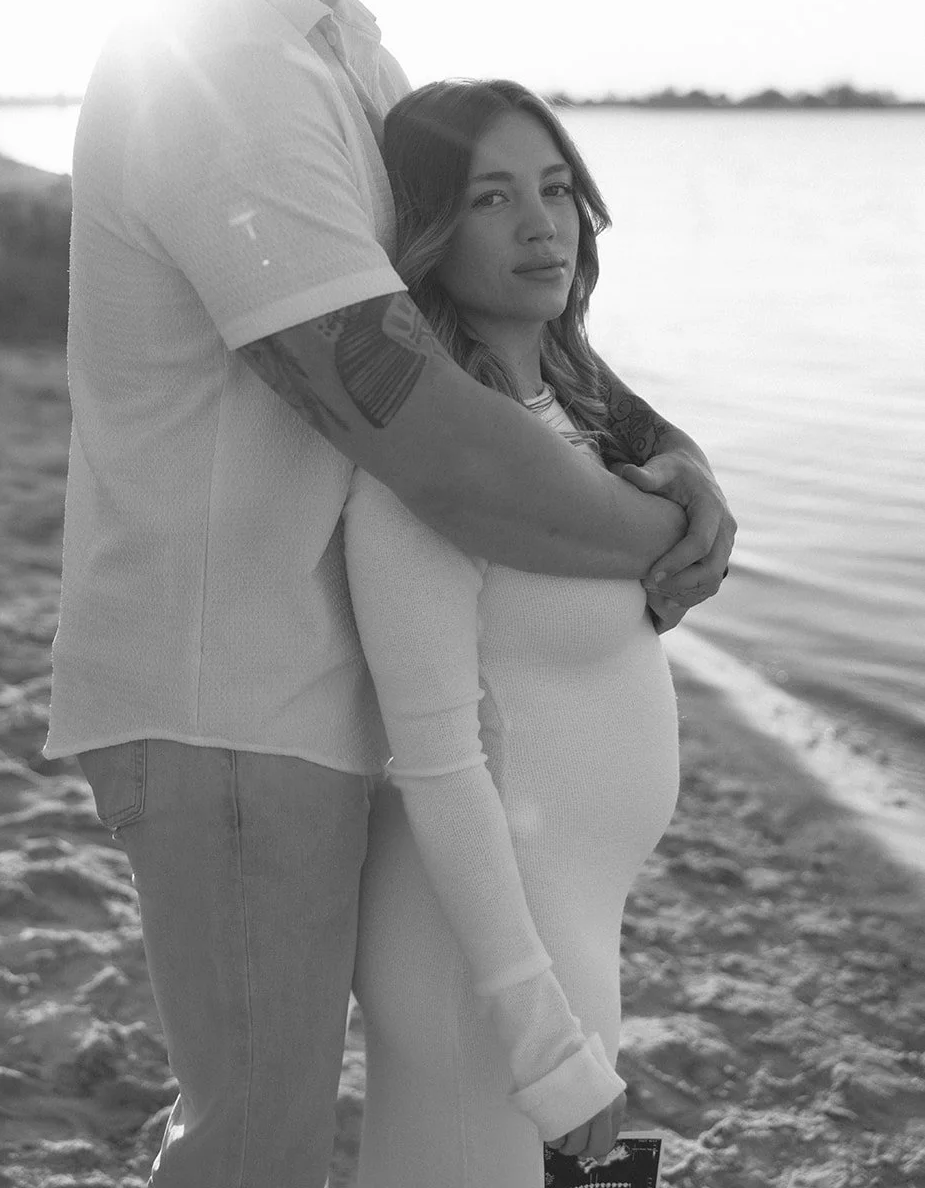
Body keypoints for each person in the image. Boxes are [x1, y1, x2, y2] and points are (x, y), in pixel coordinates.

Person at [43, 0, 735, 1186]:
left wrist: (671, 451)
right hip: (233, 693)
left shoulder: (339, 48)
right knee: (258, 1147)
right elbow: (422, 432)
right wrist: (664, 540)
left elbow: (472, 313)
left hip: (320, 685)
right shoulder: (222, 62)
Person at [345, 79, 687, 1186]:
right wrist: (541, 1042)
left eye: (555, 188)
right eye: (492, 198)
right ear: (428, 232)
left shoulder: (571, 419)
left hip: (568, 921)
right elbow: (435, 761)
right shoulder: (430, 465)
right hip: (482, 955)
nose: (543, 225)